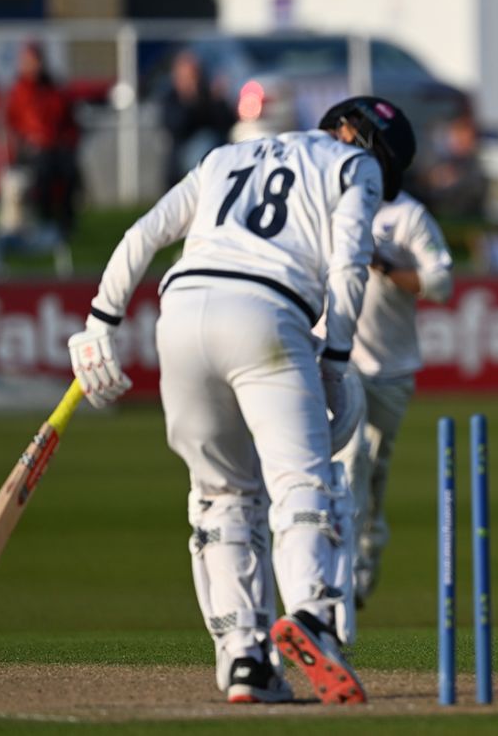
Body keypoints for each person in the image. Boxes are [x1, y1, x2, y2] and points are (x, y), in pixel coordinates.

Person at [66, 95, 417, 703]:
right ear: (374, 149)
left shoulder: (224, 157)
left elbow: (144, 233)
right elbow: (350, 265)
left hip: (180, 317)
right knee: (302, 480)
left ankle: (244, 660)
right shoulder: (354, 165)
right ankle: (311, 616)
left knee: (220, 494)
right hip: (267, 315)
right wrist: (336, 361)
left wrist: (101, 321)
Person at [333, 188, 454, 607]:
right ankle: (342, 572)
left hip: (390, 366)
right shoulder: (328, 201)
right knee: (349, 459)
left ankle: (366, 553)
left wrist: (382, 263)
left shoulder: (408, 214)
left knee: (373, 468)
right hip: (336, 359)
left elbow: (440, 284)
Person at [4, 42, 81, 237]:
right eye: (28, 61)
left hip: (56, 145)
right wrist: (26, 141)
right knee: (43, 171)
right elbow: (12, 124)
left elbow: (67, 119)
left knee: (70, 171)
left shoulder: (52, 89)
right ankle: (46, 221)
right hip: (33, 150)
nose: (33, 66)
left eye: (35, 61)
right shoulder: (19, 92)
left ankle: (66, 222)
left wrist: (69, 141)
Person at [162, 50, 236, 187]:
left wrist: (218, 100)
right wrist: (191, 100)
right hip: (184, 157)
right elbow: (177, 127)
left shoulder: (210, 96)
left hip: (215, 151)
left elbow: (227, 123)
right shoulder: (172, 99)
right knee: (201, 146)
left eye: (195, 75)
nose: (193, 80)